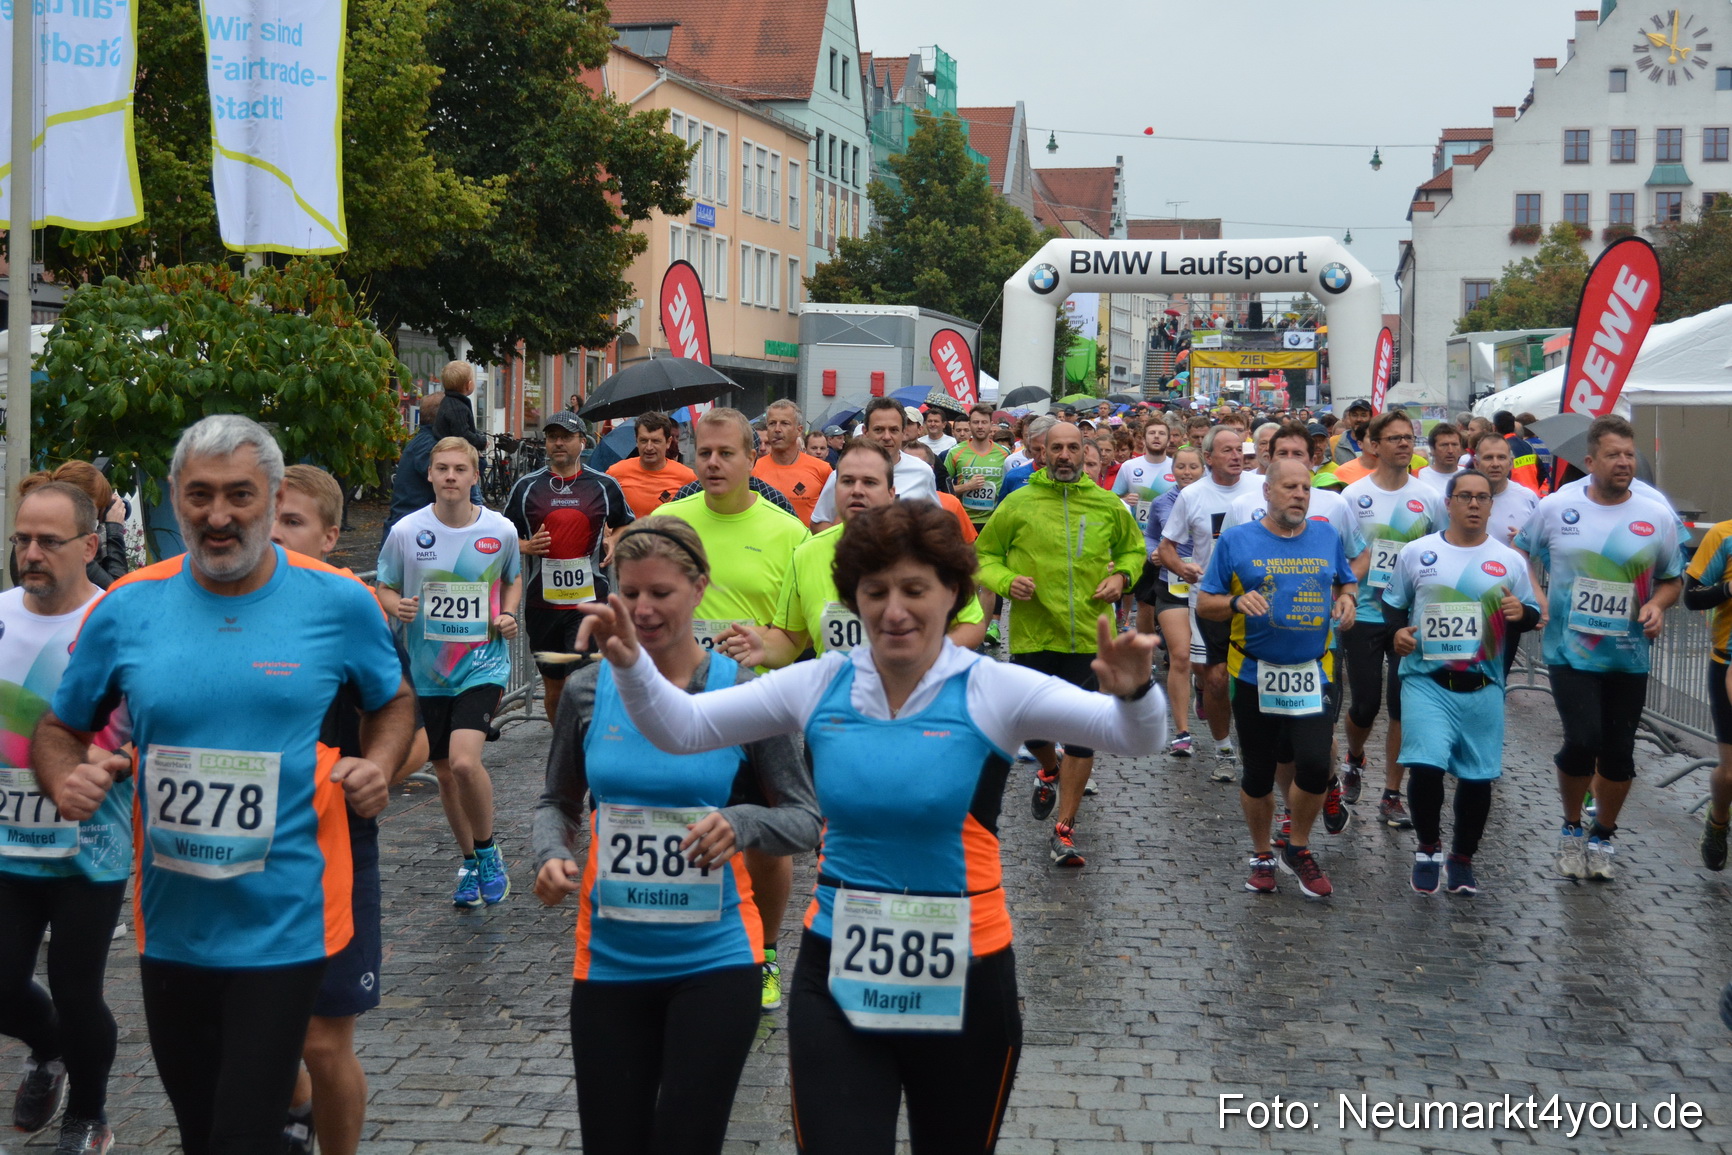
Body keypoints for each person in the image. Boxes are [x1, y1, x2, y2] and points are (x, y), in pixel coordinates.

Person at [575, 500, 1166, 1155]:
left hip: (967, 970)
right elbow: (684, 728)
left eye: (915, 589)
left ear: (953, 594)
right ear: (854, 595)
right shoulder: (821, 681)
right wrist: (629, 664)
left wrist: (1137, 693)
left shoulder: (993, 689)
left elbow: (1132, 737)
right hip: (838, 970)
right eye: (875, 590)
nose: (893, 610)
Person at [33, 415, 413, 1155]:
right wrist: (64, 778)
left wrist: (382, 760)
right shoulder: (128, 607)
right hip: (173, 930)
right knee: (204, 1134)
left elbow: (393, 699)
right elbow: (59, 726)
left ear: (272, 498)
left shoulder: (337, 602)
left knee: (242, 1130)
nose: (218, 514)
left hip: (285, 924)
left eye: (240, 494)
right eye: (199, 494)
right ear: (175, 497)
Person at [532, 517, 820, 1155]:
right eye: (629, 593)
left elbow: (804, 819)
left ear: (699, 589)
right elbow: (557, 801)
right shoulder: (587, 689)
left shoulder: (743, 694)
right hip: (609, 960)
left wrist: (743, 823)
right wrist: (551, 853)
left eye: (660, 593)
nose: (642, 609)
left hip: (715, 958)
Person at [271, 465, 428, 1155]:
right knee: (252, 1031)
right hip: (234, 847)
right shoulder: (211, 605)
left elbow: (412, 730)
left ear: (333, 536)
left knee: (321, 1038)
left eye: (293, 522)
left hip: (332, 844)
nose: (272, 534)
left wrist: (378, 768)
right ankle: (295, 1107)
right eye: (265, 518)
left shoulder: (346, 611)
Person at [652, 408, 810, 1011]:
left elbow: (795, 634)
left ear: (752, 457)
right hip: (681, 707)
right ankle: (685, 952)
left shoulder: (786, 532)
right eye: (704, 454)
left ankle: (765, 953)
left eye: (726, 453)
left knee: (766, 839)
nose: (713, 463)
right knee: (681, 826)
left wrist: (764, 642)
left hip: (758, 709)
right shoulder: (667, 522)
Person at [1, 483, 133, 1154]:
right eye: (22, 538)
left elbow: (152, 729)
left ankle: (89, 1113)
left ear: (87, 545)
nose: (30, 553)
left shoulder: (115, 622)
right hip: (5, 843)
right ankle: (48, 1047)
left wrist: (112, 762)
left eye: (48, 541)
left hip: (89, 845)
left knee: (77, 986)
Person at [1514, 415, 1684, 881]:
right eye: (1613, 455)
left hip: (1628, 654)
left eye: (1629, 454)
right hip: (1571, 651)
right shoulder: (1557, 508)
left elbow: (1673, 577)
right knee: (1582, 740)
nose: (1624, 462)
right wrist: (1537, 596)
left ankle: (1603, 834)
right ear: (1590, 462)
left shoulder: (1655, 514)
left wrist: (1657, 605)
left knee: (1619, 754)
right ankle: (1571, 827)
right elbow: (1520, 552)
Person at [976, 420, 1146, 868]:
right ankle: (1048, 769)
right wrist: (1007, 580)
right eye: (1058, 449)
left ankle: (1064, 830)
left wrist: (1121, 576)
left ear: (1084, 452)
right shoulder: (1019, 503)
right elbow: (983, 556)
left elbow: (1135, 552)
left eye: (1074, 448)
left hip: (1091, 637)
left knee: (1083, 736)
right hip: (1035, 635)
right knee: (1031, 730)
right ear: (1042, 453)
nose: (1066, 455)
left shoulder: (1108, 504)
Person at [1198, 459, 1357, 898]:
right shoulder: (1236, 540)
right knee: (1258, 772)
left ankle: (1299, 848)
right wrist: (1233, 604)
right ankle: (1262, 854)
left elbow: (1346, 583)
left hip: (1313, 671)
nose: (1299, 495)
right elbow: (1204, 603)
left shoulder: (1326, 535)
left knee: (1312, 763)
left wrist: (1347, 601)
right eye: (1289, 487)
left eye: (1305, 488)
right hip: (1253, 672)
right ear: (1267, 492)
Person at [378, 437, 523, 907]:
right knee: (443, 773)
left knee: (464, 760)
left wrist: (509, 614)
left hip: (483, 663)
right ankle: (469, 862)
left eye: (460, 469)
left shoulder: (499, 530)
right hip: (426, 670)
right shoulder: (406, 531)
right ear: (430, 475)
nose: (451, 477)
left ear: (475, 476)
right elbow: (386, 585)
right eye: (442, 468)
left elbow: (512, 579)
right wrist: (394, 605)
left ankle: (488, 851)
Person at [1382, 469, 1541, 896]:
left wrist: (1520, 614)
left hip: (1482, 685)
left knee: (1477, 778)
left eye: (1482, 498)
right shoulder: (1417, 553)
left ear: (1491, 505)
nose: (1474, 504)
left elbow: (1530, 613)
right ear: (1448, 503)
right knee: (1427, 765)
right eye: (1465, 496)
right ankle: (1429, 848)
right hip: (1426, 680)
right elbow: (1393, 604)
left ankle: (1463, 858)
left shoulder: (1509, 560)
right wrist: (1395, 633)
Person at [1340, 410, 1446, 828]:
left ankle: (1391, 793)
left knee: (1402, 704)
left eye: (1409, 438)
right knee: (1365, 705)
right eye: (1395, 438)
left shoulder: (1430, 498)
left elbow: (1442, 549)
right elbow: (1343, 556)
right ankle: (1354, 757)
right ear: (1374, 444)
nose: (1404, 444)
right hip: (1365, 611)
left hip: (1409, 617)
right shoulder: (1353, 496)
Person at [506, 412, 634, 720]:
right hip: (543, 606)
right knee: (556, 689)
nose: (558, 443)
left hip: (589, 605)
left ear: (582, 441)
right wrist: (525, 546)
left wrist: (615, 540)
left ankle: (585, 752)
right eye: (552, 437)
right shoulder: (526, 488)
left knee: (583, 684)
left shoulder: (603, 485)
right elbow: (500, 536)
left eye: (566, 437)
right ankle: (563, 751)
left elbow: (625, 524)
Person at [1155, 425, 1263, 777]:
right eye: (1227, 450)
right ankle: (1224, 750)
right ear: (1209, 457)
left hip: (1258, 600)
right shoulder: (1193, 495)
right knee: (1215, 679)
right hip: (1211, 600)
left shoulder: (1260, 488)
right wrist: (1182, 568)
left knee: (1254, 678)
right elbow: (1167, 546)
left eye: (1239, 450)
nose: (1236, 456)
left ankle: (1257, 743)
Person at [1147, 445, 1207, 756]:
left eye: (1193, 467)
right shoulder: (1161, 502)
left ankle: (1202, 687)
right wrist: (1153, 553)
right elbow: (1150, 535)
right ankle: (1182, 732)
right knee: (1180, 656)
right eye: (1181, 467)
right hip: (1171, 584)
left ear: (1203, 468)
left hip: (1209, 587)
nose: (1186, 472)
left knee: (1204, 663)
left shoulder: (1213, 499)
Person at [809, 398, 937, 527]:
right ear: (865, 432)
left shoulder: (923, 472)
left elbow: (935, 523)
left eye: (893, 430)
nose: (887, 437)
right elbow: (818, 521)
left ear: (903, 432)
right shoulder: (842, 475)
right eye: (879, 430)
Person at [1686, 516, 1732, 870]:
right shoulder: (1724, 534)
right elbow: (1692, 597)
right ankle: (1718, 820)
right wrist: (1728, 590)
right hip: (1728, 660)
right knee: (1730, 772)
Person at [9, 463, 128, 591]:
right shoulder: (70, 543)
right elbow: (117, 594)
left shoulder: (25, 541)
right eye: (97, 509)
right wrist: (114, 531)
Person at [753, 399, 833, 528]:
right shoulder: (753, 471)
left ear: (799, 430)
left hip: (807, 545)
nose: (777, 429)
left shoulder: (822, 470)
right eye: (772, 423)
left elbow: (834, 515)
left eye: (785, 423)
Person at [606, 411, 698, 519]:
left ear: (668, 442)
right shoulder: (616, 473)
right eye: (644, 441)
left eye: (655, 441)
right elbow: (601, 511)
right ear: (636, 441)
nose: (649, 447)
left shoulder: (687, 477)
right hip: (629, 536)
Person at [385, 395, 445, 535]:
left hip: (409, 525)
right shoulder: (430, 446)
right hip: (413, 531)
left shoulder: (423, 440)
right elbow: (449, 485)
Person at [1471, 431, 1539, 549]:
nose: (1495, 464)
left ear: (1511, 463)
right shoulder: (1461, 498)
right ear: (1476, 463)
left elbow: (1542, 545)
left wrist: (1526, 541)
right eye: (1488, 458)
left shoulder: (1528, 498)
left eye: (1501, 457)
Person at [947, 403, 1010, 530]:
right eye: (976, 422)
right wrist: (967, 486)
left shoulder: (1004, 453)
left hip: (994, 520)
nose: (980, 426)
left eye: (984, 422)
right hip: (964, 520)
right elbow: (942, 489)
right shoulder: (955, 452)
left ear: (991, 424)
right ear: (969, 424)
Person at [431, 361, 488, 453]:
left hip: (444, 450)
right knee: (481, 464)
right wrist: (482, 442)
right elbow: (463, 435)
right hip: (452, 453)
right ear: (468, 385)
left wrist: (477, 433)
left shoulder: (448, 401)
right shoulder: (458, 408)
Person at [997, 415, 1056, 503]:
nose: (1043, 458)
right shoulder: (1014, 476)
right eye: (1037, 450)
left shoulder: (1072, 477)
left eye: (1048, 449)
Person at [1494, 410, 1547, 495]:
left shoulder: (1501, 449)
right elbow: (1542, 473)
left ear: (1494, 428)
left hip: (1514, 496)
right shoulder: (1528, 445)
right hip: (1533, 495)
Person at [1417, 423, 1467, 493]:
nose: (1450, 451)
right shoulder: (1418, 476)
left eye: (1454, 445)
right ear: (1432, 449)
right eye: (1444, 445)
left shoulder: (1470, 475)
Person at [1332, 398, 1373, 465]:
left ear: (1370, 417)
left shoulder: (1380, 442)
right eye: (1354, 415)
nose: (1359, 419)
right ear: (1349, 417)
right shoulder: (1334, 442)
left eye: (1363, 415)